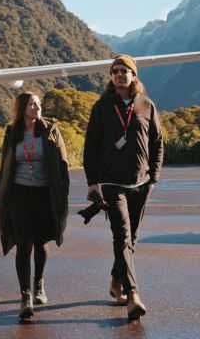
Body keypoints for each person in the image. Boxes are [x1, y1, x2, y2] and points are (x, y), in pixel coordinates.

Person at [84, 54, 163, 321]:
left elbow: (157, 143)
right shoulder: (102, 107)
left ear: (133, 75)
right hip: (111, 182)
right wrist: (92, 182)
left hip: (141, 183)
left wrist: (154, 176)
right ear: (111, 76)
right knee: (122, 235)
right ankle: (133, 295)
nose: (119, 74)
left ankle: (116, 280)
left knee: (133, 238)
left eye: (124, 70)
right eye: (115, 71)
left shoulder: (147, 105)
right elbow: (91, 146)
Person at [0, 91, 70, 319]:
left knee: (41, 241)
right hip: (19, 195)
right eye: (32, 104)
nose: (37, 107)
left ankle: (39, 283)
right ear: (22, 108)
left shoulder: (50, 131)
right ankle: (25, 295)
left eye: (38, 104)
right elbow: (4, 166)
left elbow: (63, 163)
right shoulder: (12, 133)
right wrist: (1, 194)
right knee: (23, 243)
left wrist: (62, 192)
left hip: (44, 194)